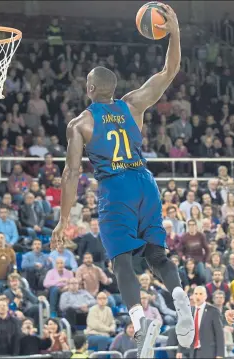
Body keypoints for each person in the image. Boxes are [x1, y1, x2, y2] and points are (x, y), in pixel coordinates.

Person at [52, 5, 194, 357]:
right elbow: (169, 69)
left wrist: (63, 220)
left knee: (121, 261)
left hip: (116, 189)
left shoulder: (80, 124)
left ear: (89, 87)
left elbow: (71, 174)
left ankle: (139, 319)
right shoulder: (133, 104)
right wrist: (175, 32)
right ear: (113, 89)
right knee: (157, 253)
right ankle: (180, 300)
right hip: (146, 182)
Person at [177, 286, 224, 359]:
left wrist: (220, 355)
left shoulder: (213, 311)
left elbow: (219, 334)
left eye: (200, 294)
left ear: (205, 296)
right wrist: (179, 350)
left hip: (209, 353)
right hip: (193, 352)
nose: (198, 296)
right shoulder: (189, 311)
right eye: (195, 294)